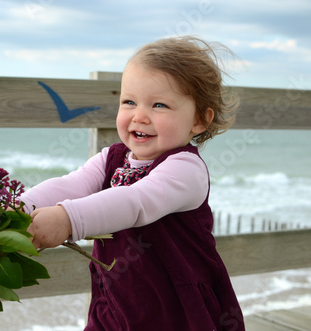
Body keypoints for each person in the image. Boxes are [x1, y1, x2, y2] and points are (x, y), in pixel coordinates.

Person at [18, 36, 245, 330]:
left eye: (159, 105)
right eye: (129, 102)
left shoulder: (186, 170)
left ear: (199, 121)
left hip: (177, 309)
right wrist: (15, 208)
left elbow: (135, 201)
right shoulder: (112, 158)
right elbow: (71, 185)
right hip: (117, 301)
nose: (140, 115)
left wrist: (68, 219)